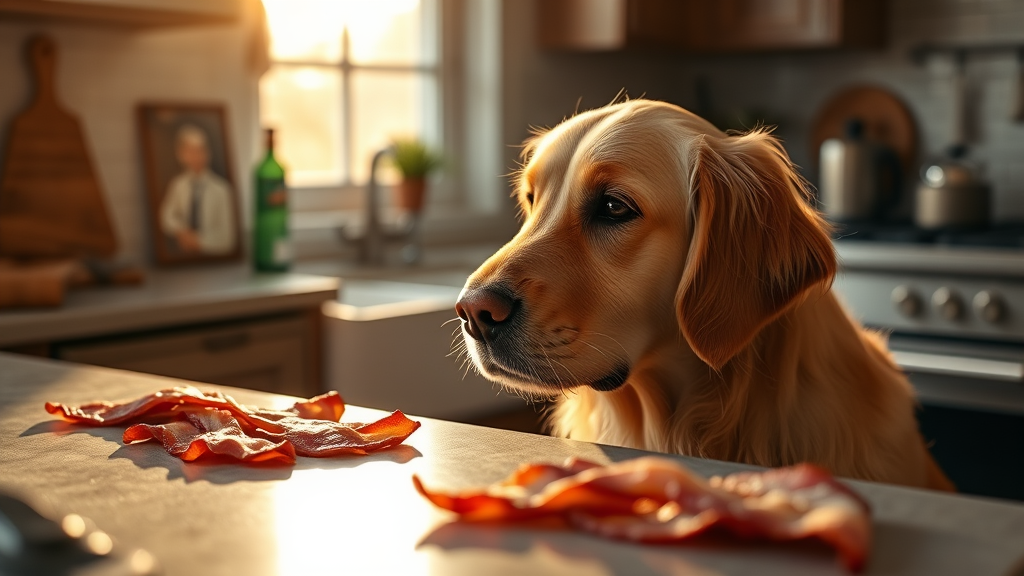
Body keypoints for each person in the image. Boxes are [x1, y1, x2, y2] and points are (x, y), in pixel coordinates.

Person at [160, 124, 237, 256]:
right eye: (190, 151)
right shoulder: (178, 185)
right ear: (181, 155)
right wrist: (182, 231)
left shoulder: (222, 189)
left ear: (208, 153)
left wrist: (198, 241)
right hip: (182, 256)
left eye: (199, 150)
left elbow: (228, 237)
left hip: (212, 258)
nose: (196, 156)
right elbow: (166, 217)